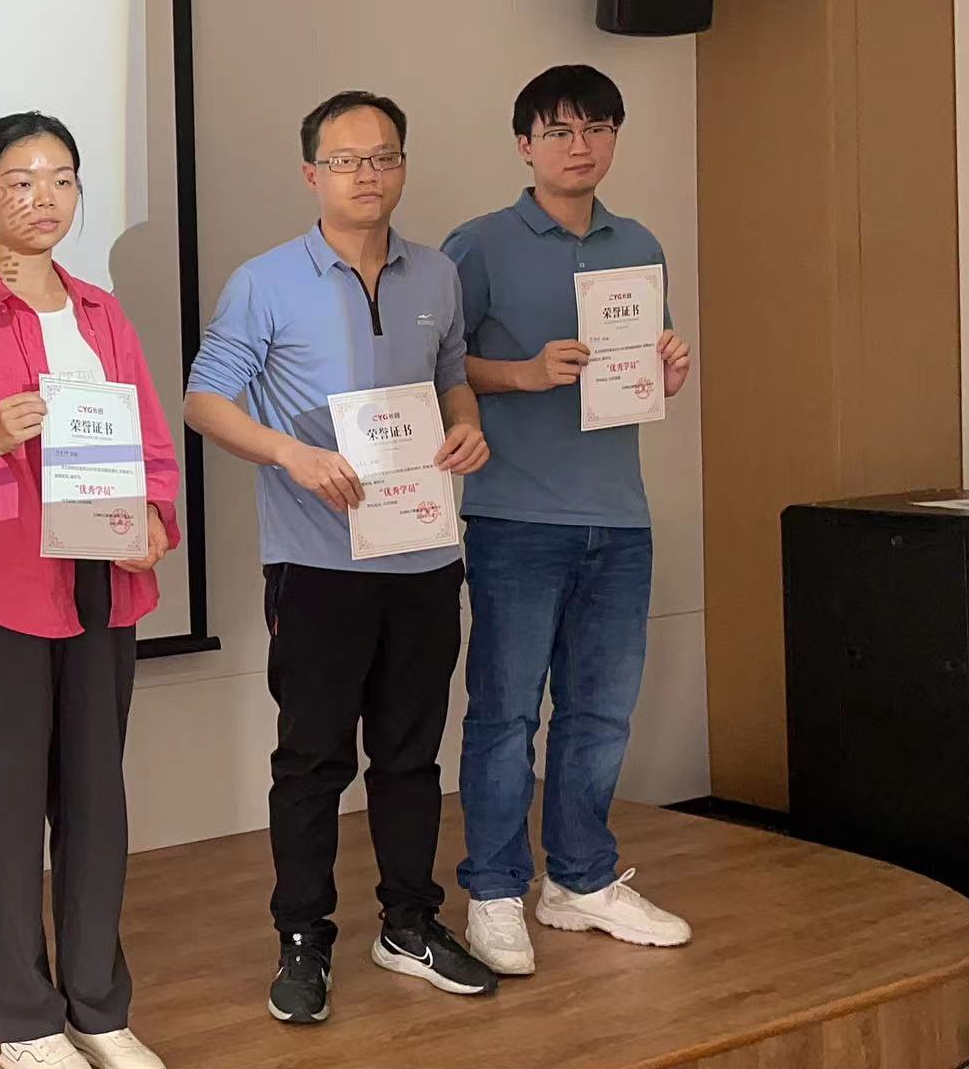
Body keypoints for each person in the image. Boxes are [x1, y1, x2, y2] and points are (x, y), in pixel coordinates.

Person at [182, 90, 497, 1025]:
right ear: (310, 173)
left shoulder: (437, 273)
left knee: (411, 757)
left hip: (423, 554)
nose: (368, 174)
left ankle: (409, 923)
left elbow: (451, 378)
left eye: (384, 156)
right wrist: (291, 454)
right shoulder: (264, 281)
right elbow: (204, 401)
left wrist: (468, 426)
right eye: (347, 159)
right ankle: (302, 938)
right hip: (316, 566)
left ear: (403, 167)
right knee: (313, 761)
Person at [0, 111, 177, 1069]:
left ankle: (98, 1006)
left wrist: (156, 524)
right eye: (19, 180)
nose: (43, 198)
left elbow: (151, 445)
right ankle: (24, 1022)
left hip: (104, 582)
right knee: (9, 812)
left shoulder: (102, 314)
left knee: (97, 805)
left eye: (61, 179)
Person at [441, 65, 695, 976]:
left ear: (615, 137)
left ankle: (580, 880)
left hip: (619, 517)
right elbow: (436, 367)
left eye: (596, 128)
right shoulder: (478, 244)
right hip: (515, 515)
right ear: (525, 146)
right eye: (557, 131)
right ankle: (494, 889)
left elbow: (638, 371)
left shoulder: (640, 243)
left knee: (600, 713)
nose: (578, 147)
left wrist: (666, 372)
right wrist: (523, 373)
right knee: (505, 714)